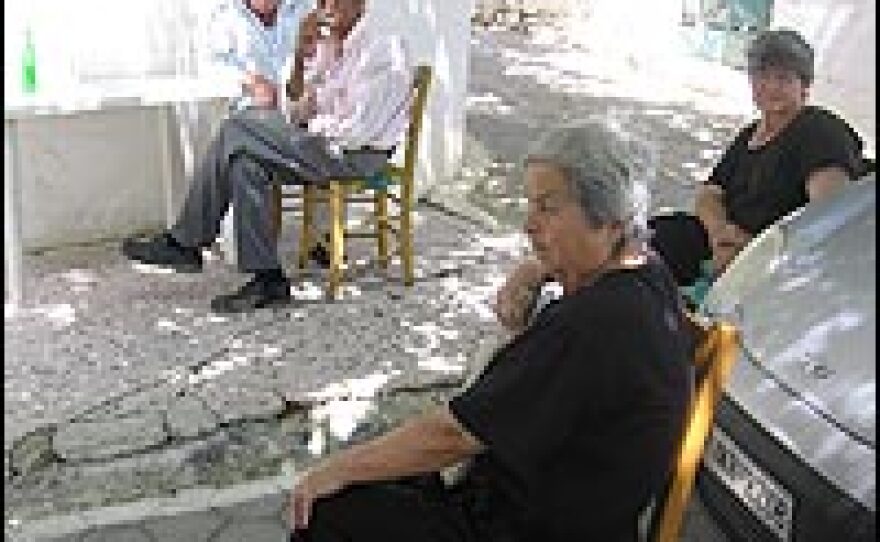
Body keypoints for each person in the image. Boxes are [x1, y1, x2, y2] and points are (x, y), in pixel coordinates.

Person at [286, 121, 692, 541]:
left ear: (607, 219)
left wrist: (332, 471)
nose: (529, 225)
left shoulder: (593, 324)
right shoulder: (646, 274)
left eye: (549, 208)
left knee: (327, 506)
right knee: (383, 475)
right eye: (531, 205)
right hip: (546, 503)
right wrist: (535, 268)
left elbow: (456, 433)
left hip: (528, 527)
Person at [122, 0, 413, 313]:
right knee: (246, 164)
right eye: (322, 0)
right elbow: (297, 107)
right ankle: (268, 279)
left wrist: (306, 131)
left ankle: (187, 242)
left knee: (238, 127)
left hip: (358, 155)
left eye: (336, 0)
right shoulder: (330, 43)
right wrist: (302, 58)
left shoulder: (383, 48)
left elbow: (359, 131)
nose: (327, 7)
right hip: (325, 146)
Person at [650, 28, 869, 291]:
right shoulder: (749, 135)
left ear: (804, 87)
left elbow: (828, 217)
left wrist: (749, 250)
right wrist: (720, 233)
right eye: (762, 77)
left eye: (784, 78)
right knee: (649, 239)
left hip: (775, 262)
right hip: (722, 242)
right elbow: (709, 194)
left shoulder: (818, 129)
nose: (772, 87)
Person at [202, 0, 316, 111]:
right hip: (252, 112)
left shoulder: (307, 6)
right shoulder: (226, 12)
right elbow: (214, 65)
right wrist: (251, 81)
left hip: (306, 111)